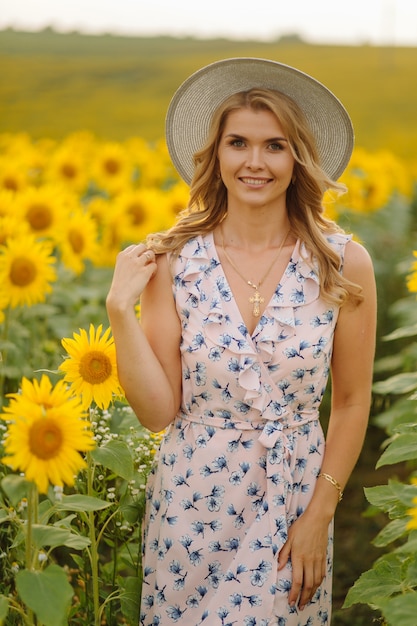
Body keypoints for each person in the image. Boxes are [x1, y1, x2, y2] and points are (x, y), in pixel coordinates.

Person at [106, 58, 377, 626]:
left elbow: (351, 401)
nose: (255, 162)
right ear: (217, 155)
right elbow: (159, 413)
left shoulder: (342, 262)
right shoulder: (176, 261)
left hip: (296, 501)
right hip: (192, 503)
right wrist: (119, 313)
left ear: (296, 158)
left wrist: (320, 513)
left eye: (274, 145)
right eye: (238, 143)